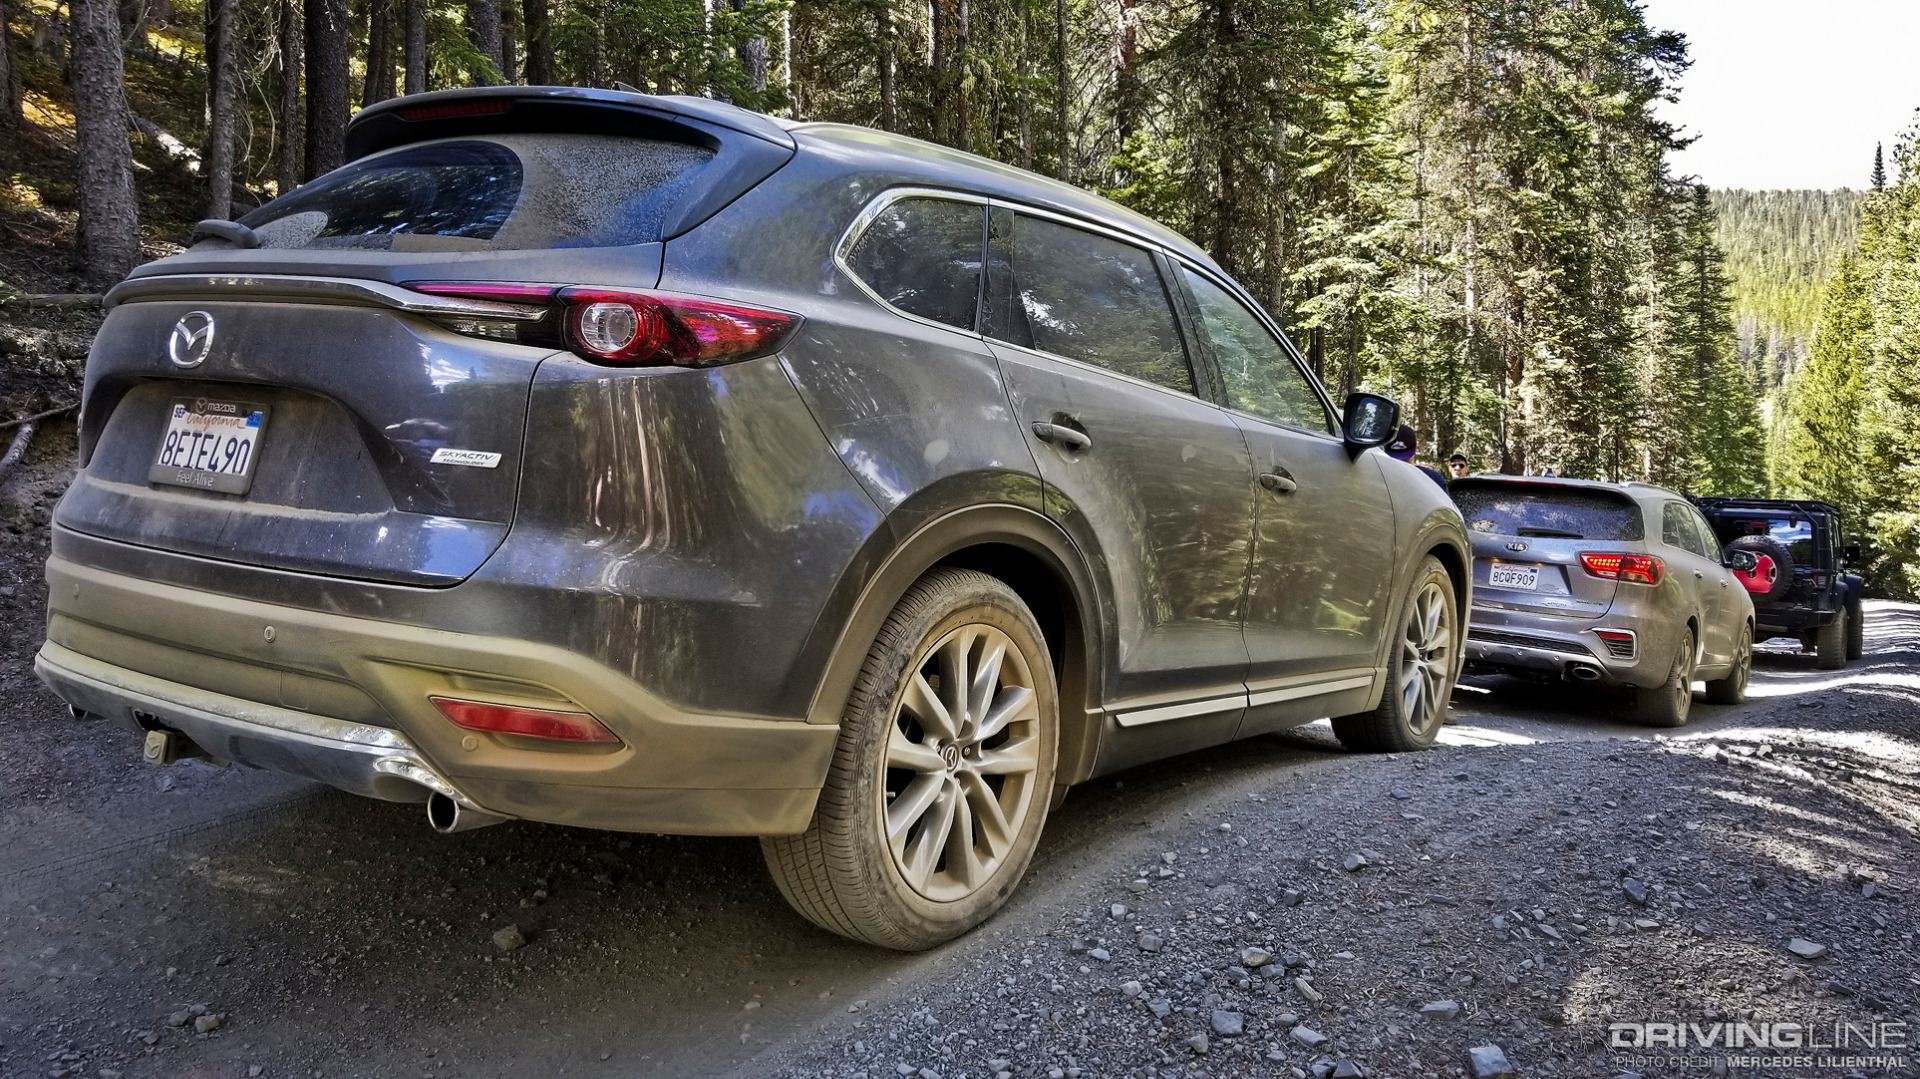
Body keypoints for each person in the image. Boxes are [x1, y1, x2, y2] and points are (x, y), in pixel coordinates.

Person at [1386, 424, 1448, 490]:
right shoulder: (1434, 479)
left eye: (1405, 460)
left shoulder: (1434, 479)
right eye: (1395, 460)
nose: (1401, 464)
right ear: (1415, 449)